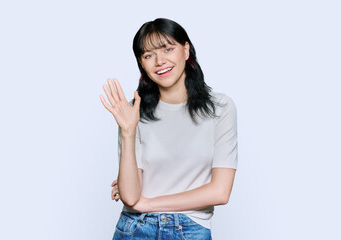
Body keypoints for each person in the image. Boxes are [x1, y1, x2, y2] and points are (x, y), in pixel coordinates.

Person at [100, 18, 238, 240]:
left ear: (185, 50)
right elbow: (130, 196)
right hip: (136, 226)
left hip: (190, 228)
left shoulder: (220, 108)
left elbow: (220, 192)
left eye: (167, 49)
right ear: (141, 63)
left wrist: (148, 202)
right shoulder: (134, 112)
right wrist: (128, 131)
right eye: (149, 55)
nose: (159, 61)